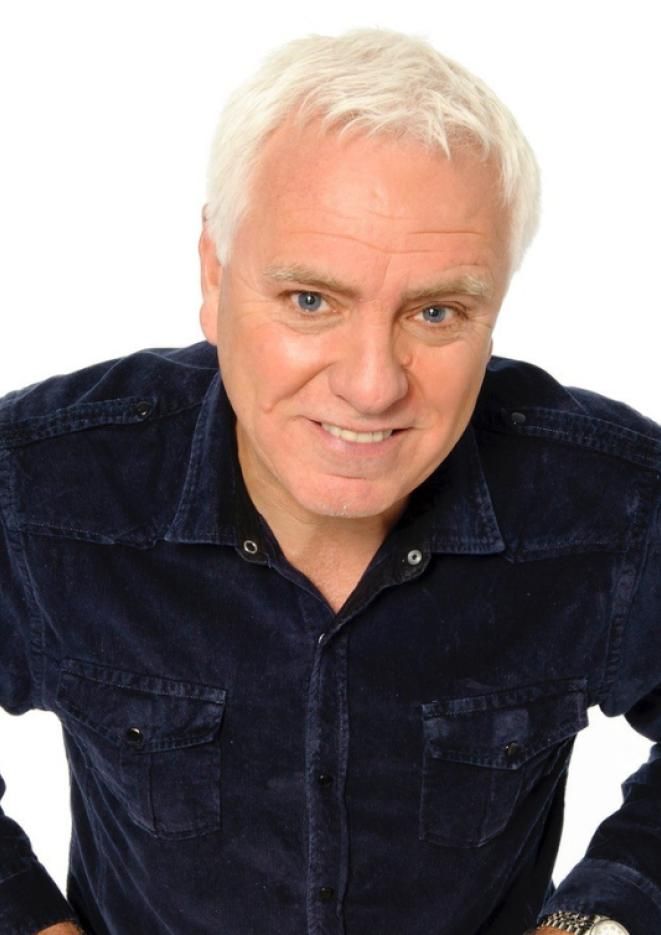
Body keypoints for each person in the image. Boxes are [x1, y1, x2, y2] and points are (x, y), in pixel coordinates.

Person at [0, 27, 658, 935]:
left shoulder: (611, 504)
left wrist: (597, 919)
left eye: (435, 311)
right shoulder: (45, 482)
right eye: (312, 300)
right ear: (213, 273)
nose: (372, 383)